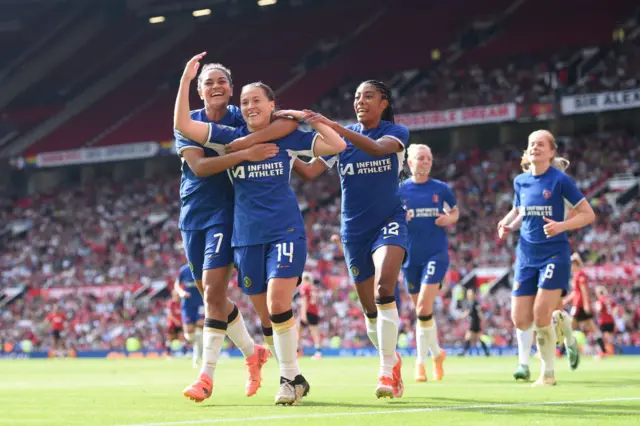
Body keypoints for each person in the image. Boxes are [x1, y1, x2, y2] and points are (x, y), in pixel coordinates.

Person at [175, 63, 346, 404]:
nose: (251, 106)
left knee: (274, 301)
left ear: (270, 104)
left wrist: (303, 120)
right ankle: (288, 374)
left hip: (279, 229)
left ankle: (222, 376)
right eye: (247, 101)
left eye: (257, 101)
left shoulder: (271, 130)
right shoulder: (222, 134)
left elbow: (331, 143)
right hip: (239, 234)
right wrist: (185, 78)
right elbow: (186, 134)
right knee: (257, 312)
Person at [292, 80, 410, 399]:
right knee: (370, 311)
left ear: (384, 102)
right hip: (354, 231)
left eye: (368, 96)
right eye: (357, 96)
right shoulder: (340, 137)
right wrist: (283, 150)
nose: (360, 101)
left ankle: (386, 372)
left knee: (385, 288)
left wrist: (332, 127)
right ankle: (393, 358)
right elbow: (310, 172)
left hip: (389, 222)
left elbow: (376, 148)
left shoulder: (396, 133)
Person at [498, 129, 595, 386]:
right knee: (520, 319)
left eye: (541, 144)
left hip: (554, 253)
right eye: (531, 144)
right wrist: (508, 224)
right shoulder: (520, 181)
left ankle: (547, 373)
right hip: (526, 255)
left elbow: (588, 214)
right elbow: (522, 211)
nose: (535, 148)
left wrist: (561, 226)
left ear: (551, 152)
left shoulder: (559, 181)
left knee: (541, 314)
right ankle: (565, 327)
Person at [398, 143, 458, 382]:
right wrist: (402, 217)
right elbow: (390, 216)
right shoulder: (401, 191)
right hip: (410, 257)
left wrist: (448, 219)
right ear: (410, 162)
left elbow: (455, 212)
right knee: (423, 313)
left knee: (423, 307)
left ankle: (420, 364)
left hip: (436, 254)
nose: (425, 162)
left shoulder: (441, 189)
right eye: (420, 158)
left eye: (428, 159)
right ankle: (437, 354)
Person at [563, 254, 608, 357]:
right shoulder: (577, 275)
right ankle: (603, 350)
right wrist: (566, 300)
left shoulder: (581, 275)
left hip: (580, 306)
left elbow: (584, 291)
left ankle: (560, 352)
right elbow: (576, 292)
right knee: (592, 328)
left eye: (572, 265)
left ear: (576, 264)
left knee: (570, 327)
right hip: (580, 305)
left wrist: (586, 305)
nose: (570, 267)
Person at [174, 263, 205, 368]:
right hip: (188, 303)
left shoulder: (204, 267)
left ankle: (198, 356)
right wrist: (181, 292)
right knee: (189, 333)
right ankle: (197, 350)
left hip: (201, 302)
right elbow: (177, 284)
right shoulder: (184, 269)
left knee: (200, 326)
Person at [297, 272, 322, 359]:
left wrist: (303, 314)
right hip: (314, 311)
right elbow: (315, 301)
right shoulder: (314, 287)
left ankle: (298, 351)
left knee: (298, 331)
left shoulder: (304, 287)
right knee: (315, 332)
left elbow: (304, 301)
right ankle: (318, 352)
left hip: (307, 311)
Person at [459, 289, 490, 357]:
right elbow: (467, 312)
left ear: (473, 295)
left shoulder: (476, 303)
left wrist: (483, 320)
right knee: (477, 338)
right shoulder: (470, 303)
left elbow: (479, 313)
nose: (468, 295)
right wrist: (461, 316)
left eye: (470, 294)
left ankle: (463, 352)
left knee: (468, 337)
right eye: (468, 294)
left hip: (475, 322)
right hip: (473, 322)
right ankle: (487, 352)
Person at [595, 286, 616, 355]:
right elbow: (616, 307)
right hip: (611, 321)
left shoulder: (600, 301)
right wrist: (612, 314)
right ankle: (611, 352)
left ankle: (604, 352)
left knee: (601, 337)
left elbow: (599, 311)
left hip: (603, 321)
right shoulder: (609, 300)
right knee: (609, 338)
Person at [166, 290, 183, 358]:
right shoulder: (171, 303)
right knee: (170, 339)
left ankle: (183, 353)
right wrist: (176, 321)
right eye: (177, 294)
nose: (178, 296)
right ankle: (169, 354)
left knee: (182, 338)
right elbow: (169, 314)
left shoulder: (181, 302)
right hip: (172, 324)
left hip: (180, 324)